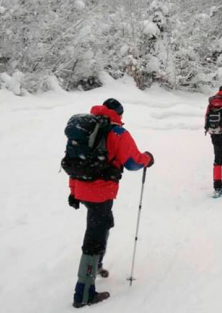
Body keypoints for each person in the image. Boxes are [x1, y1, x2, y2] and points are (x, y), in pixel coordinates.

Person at [67, 98, 154, 308]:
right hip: (101, 191)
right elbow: (132, 162)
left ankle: (95, 265)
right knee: (94, 237)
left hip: (81, 188)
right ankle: (84, 292)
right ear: (118, 113)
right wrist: (147, 159)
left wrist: (73, 191)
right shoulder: (116, 132)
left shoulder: (84, 128)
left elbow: (74, 161)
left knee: (104, 224)